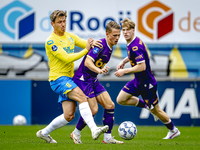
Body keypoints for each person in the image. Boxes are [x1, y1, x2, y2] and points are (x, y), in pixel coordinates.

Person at [36, 10, 109, 143]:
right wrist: (86, 49)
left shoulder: (69, 36)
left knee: (69, 115)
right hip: (58, 79)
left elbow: (83, 42)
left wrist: (92, 43)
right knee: (82, 97)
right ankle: (94, 130)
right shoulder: (51, 42)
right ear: (52, 24)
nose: (63, 24)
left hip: (69, 79)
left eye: (64, 21)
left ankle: (43, 133)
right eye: (59, 22)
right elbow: (67, 58)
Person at [114, 18, 180, 139]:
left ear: (133, 30)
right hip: (137, 81)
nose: (125, 32)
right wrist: (124, 61)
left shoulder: (135, 46)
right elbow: (132, 56)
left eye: (128, 30)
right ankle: (147, 106)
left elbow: (142, 66)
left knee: (157, 110)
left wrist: (124, 70)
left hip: (147, 84)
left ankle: (173, 130)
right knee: (121, 99)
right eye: (123, 30)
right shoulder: (132, 42)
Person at [70, 21, 124, 144]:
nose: (117, 38)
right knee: (93, 110)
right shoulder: (100, 45)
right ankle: (76, 133)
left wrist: (97, 72)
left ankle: (107, 138)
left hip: (93, 79)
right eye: (114, 35)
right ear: (107, 34)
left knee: (110, 105)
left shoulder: (110, 46)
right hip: (83, 79)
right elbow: (88, 63)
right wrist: (99, 70)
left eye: (118, 35)